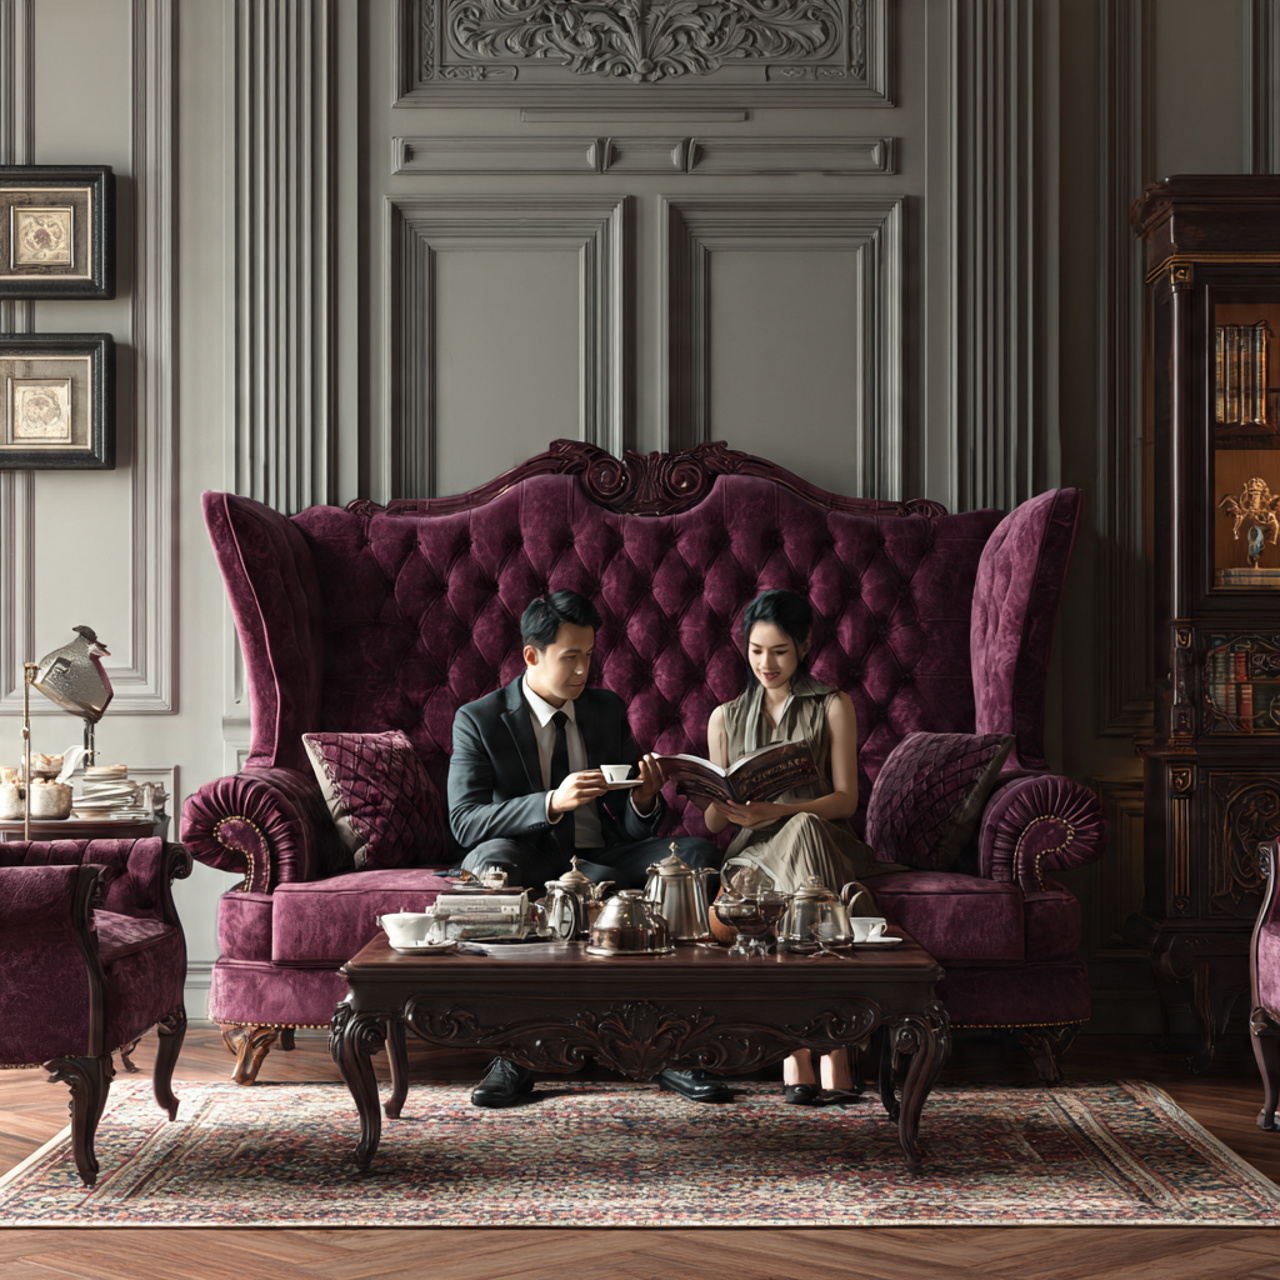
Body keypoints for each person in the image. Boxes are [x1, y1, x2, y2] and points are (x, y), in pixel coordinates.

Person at [448, 589, 728, 1108]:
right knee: (492, 863)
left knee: (695, 857)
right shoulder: (480, 719)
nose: (583, 670)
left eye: (589, 655)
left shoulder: (605, 709)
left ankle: (676, 1046)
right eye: (570, 657)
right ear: (532, 656)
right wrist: (551, 801)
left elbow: (633, 828)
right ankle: (514, 1052)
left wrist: (643, 799)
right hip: (529, 856)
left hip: (602, 856)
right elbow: (465, 823)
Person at [701, 589, 905, 1107]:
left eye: (780, 652)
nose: (766, 664)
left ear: (805, 646)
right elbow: (710, 820)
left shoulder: (833, 705)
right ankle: (830, 1043)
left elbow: (844, 800)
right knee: (791, 845)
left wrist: (778, 812)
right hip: (752, 855)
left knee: (806, 830)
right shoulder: (724, 717)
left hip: (824, 840)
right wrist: (721, 798)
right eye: (755, 650)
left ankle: (801, 1049)